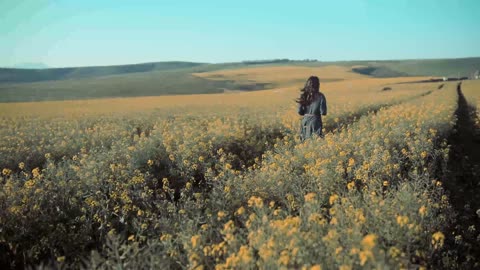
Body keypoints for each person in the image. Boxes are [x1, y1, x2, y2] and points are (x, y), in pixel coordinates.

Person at [296, 76, 327, 141]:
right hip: (315, 121)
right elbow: (323, 112)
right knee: (315, 141)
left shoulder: (303, 95)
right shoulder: (321, 96)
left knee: (304, 141)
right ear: (317, 85)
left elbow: (299, 111)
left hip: (305, 121)